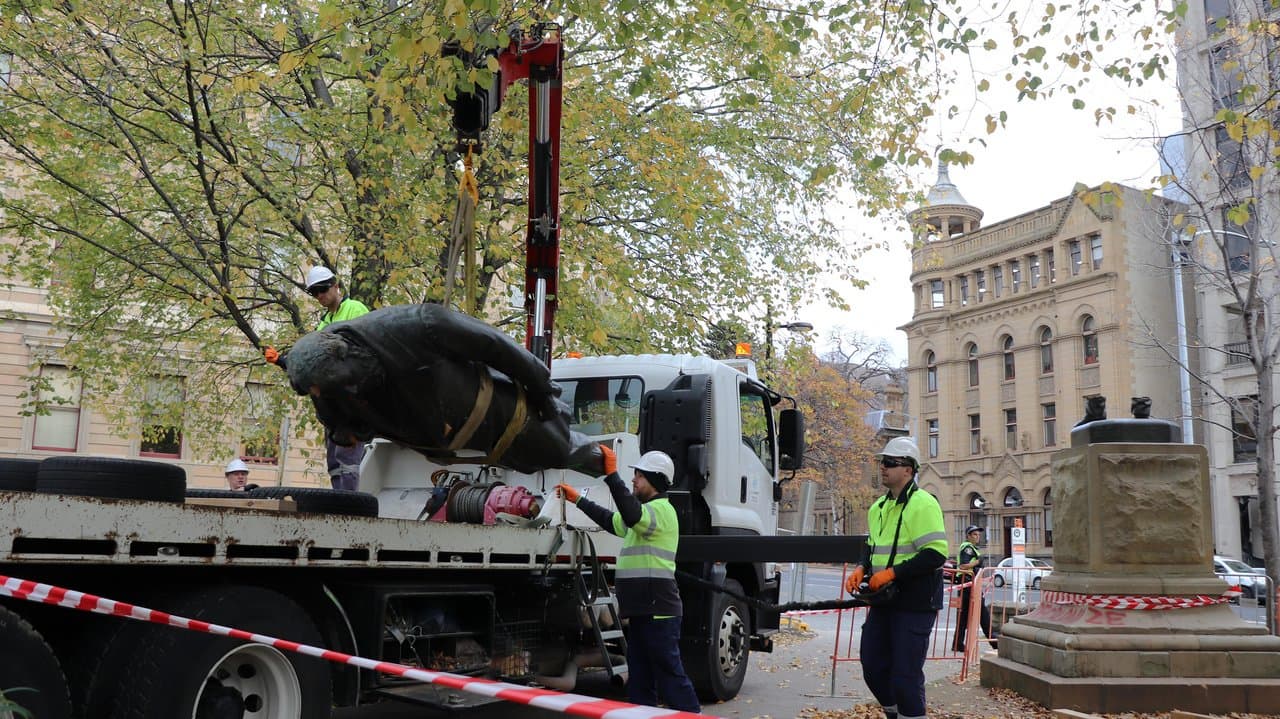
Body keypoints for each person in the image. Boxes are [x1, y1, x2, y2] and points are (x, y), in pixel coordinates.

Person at [276, 303, 601, 474]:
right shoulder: (320, 378)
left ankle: (609, 465)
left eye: (335, 387)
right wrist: (342, 432)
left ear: (346, 357)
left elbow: (495, 346)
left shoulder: (419, 325)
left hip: (502, 414)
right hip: (448, 443)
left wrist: (542, 390)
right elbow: (337, 425)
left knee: (561, 451)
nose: (328, 396)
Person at [555, 447, 700, 714]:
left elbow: (630, 514)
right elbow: (613, 521)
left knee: (670, 676)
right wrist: (578, 500)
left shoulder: (661, 511)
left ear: (655, 480)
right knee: (641, 680)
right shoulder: (644, 517)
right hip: (643, 611)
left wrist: (611, 474)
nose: (633, 480)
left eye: (639, 476)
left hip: (659, 613)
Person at [843, 437, 946, 719]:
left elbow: (935, 554)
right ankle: (896, 713)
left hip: (915, 602)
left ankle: (910, 714)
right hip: (884, 600)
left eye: (890, 463)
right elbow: (872, 545)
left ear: (909, 470)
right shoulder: (878, 507)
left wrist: (891, 573)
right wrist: (861, 568)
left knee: (905, 675)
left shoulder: (923, 504)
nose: (883, 468)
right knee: (873, 666)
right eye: (882, 463)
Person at [267, 266, 372, 490]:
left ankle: (350, 508)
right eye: (314, 293)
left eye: (322, 289)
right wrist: (283, 361)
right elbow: (315, 362)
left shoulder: (355, 309)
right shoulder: (325, 321)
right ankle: (338, 502)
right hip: (333, 403)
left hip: (351, 401)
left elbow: (364, 352)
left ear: (336, 286)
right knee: (334, 461)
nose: (319, 296)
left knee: (347, 459)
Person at [951, 525, 993, 652]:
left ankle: (957, 644)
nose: (977, 537)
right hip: (968, 584)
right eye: (974, 534)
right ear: (968, 536)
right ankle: (994, 642)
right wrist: (977, 562)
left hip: (968, 585)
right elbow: (963, 566)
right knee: (982, 614)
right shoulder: (967, 548)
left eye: (978, 535)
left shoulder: (972, 548)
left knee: (963, 616)